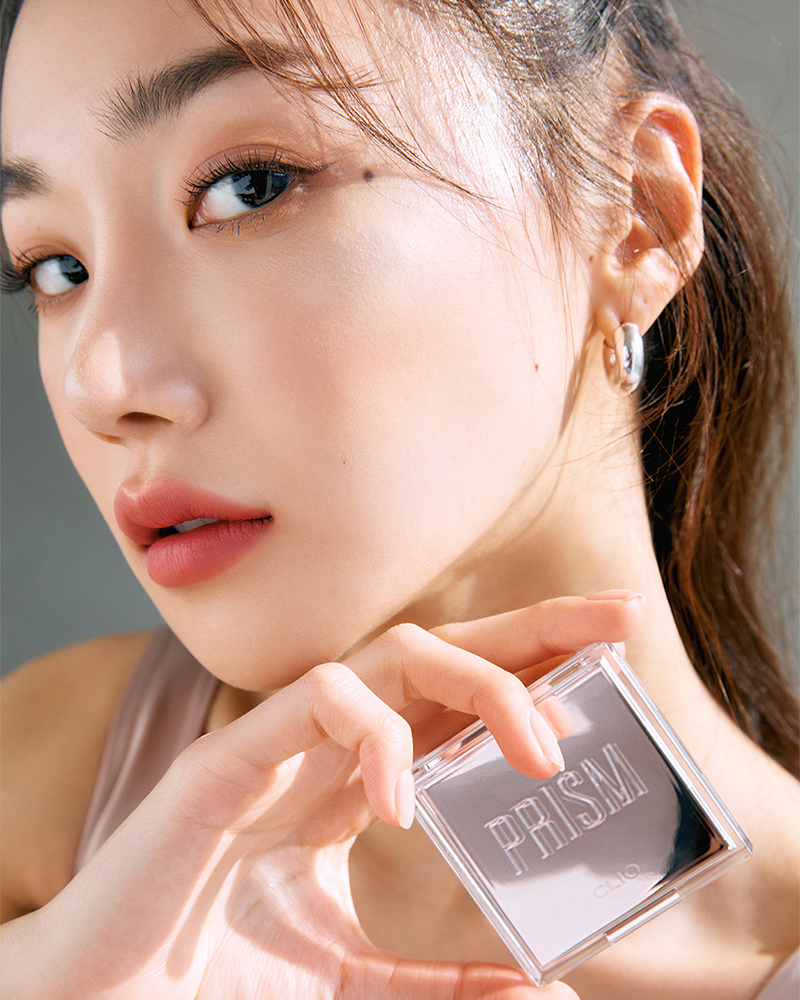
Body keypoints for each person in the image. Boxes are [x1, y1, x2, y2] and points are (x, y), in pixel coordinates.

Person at [0, 0, 798, 996]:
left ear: (633, 213)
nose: (101, 383)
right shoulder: (42, 781)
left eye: (251, 187)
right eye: (56, 268)